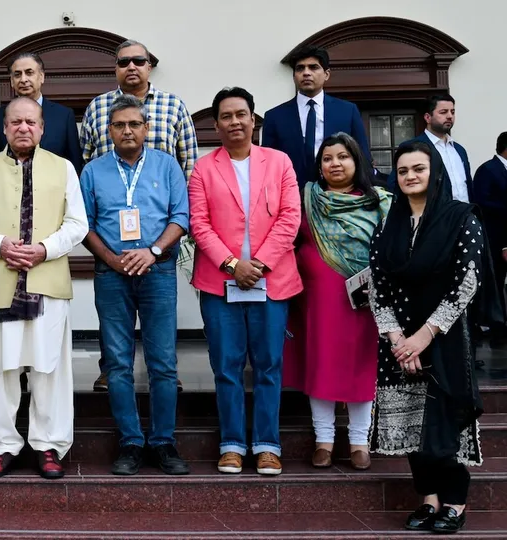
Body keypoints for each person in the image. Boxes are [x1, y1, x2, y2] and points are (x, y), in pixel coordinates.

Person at [368, 140, 501, 533]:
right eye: (403, 170)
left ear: (435, 173)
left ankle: (455, 504)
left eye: (418, 169)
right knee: (410, 427)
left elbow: (466, 283)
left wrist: (422, 337)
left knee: (445, 423)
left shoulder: (461, 218)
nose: (410, 176)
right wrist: (397, 340)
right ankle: (428, 500)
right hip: (398, 341)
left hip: (443, 338)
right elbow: (378, 286)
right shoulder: (388, 223)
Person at [0, 97, 88, 479]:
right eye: (16, 122)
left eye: (31, 122)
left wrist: (45, 250)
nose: (23, 128)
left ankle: (48, 444)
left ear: (42, 127)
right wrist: (0, 246)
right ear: (5, 128)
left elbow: (78, 223)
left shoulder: (63, 168)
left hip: (46, 284)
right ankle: (4, 444)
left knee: (49, 369)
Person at [188, 87, 301, 476]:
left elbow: (290, 217)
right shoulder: (204, 168)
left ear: (254, 120)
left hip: (272, 280)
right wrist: (234, 264)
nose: (234, 122)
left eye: (241, 114)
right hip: (220, 282)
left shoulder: (280, 162)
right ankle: (232, 443)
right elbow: (198, 224)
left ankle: (268, 445)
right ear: (216, 124)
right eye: (226, 116)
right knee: (227, 365)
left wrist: (261, 264)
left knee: (269, 364)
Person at [80, 95, 190, 476]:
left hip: (157, 272)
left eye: (134, 124)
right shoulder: (93, 171)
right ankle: (130, 441)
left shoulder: (168, 165)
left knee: (162, 363)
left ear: (146, 128)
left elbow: (181, 217)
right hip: (111, 275)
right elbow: (85, 224)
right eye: (119, 125)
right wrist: (111, 259)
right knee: (118, 363)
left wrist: (154, 250)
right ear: (108, 131)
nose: (127, 130)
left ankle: (163, 442)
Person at [80, 39, 198, 391]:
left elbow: (189, 168)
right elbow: (87, 162)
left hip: (158, 239)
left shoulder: (174, 106)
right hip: (110, 240)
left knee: (160, 330)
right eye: (124, 61)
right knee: (114, 334)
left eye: (139, 61)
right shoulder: (98, 107)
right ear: (116, 67)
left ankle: (164, 373)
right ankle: (110, 371)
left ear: (149, 66)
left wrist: (173, 237)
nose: (131, 67)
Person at [282, 133, 391, 470]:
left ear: (356, 161)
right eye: (327, 158)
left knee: (361, 365)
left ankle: (360, 441)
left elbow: (393, 250)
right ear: (320, 166)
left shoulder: (380, 202)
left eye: (342, 157)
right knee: (322, 363)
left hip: (364, 299)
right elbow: (289, 240)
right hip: (317, 299)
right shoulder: (307, 199)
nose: (335, 164)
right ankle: (324, 441)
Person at [261, 45, 371, 187]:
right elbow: (268, 165)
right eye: (300, 68)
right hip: (292, 196)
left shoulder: (347, 111)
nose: (306, 73)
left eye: (313, 67)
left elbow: (363, 157)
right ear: (294, 76)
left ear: (326, 74)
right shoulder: (275, 117)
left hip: (339, 196)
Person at [0, 52, 83, 173]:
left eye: (29, 73)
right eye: (17, 75)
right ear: (11, 81)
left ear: (41, 76)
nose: (23, 79)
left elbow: (75, 165)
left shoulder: (64, 116)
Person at [388, 95, 472, 202]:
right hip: (433, 216)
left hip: (465, 213)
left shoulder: (459, 150)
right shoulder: (412, 147)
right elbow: (395, 186)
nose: (450, 116)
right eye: (443, 112)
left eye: (452, 112)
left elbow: (467, 186)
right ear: (428, 117)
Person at [472, 131, 507, 342]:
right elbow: (481, 202)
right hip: (494, 236)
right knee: (495, 281)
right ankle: (497, 326)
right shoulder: (488, 170)